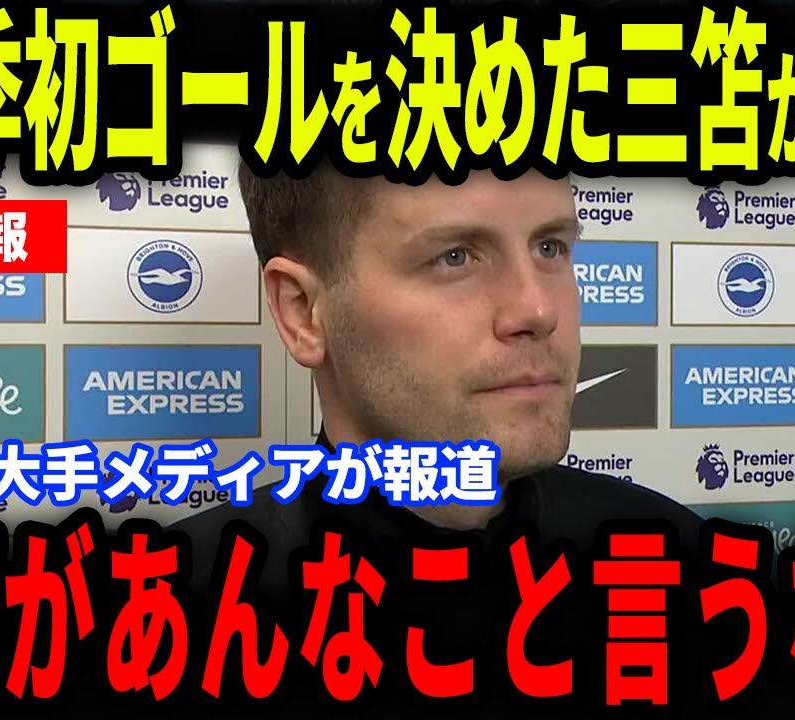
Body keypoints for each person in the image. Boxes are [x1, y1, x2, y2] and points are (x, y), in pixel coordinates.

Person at [161, 161, 710, 716]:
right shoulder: (168, 626)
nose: (538, 310)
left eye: (550, 248)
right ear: (302, 311)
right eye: (455, 257)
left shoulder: (682, 570)